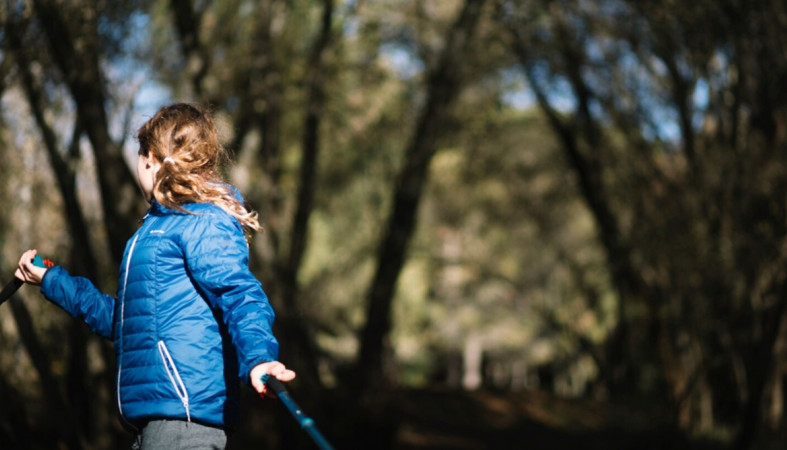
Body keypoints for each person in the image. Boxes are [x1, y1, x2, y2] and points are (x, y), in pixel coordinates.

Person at [14, 103, 295, 449]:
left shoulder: (202, 221)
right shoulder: (152, 231)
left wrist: (259, 357)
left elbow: (239, 293)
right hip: (153, 425)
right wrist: (51, 281)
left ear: (151, 158)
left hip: (184, 423)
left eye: (141, 154)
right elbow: (127, 323)